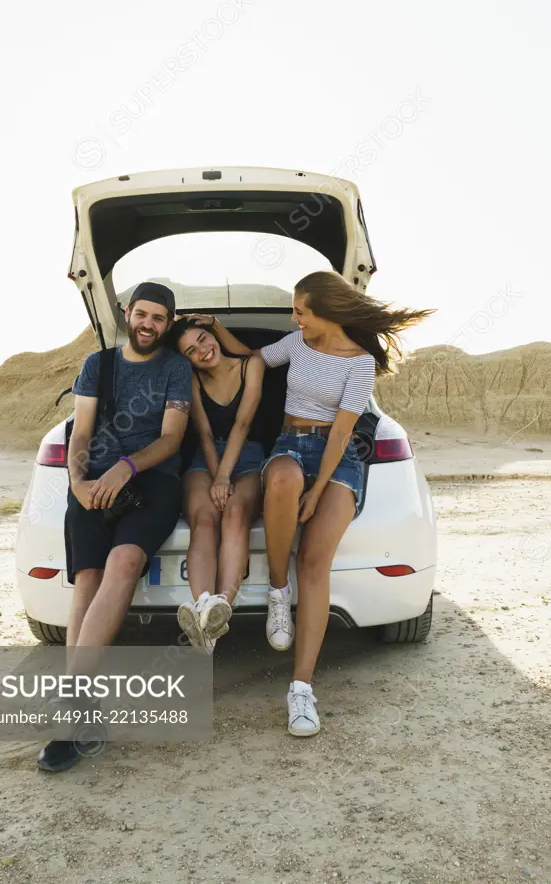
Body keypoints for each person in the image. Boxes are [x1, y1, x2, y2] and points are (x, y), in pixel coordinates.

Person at [183, 270, 432, 737]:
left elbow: (342, 432)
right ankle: (278, 592)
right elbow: (248, 358)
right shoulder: (296, 344)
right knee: (280, 482)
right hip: (290, 444)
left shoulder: (359, 364)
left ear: (327, 314)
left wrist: (318, 492)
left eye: (301, 310)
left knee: (316, 562)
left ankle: (301, 689)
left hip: (338, 457)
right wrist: (215, 328)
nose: (294, 317)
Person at [37, 281, 192, 773]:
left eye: (159, 318)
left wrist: (127, 465)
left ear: (168, 324)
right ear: (127, 313)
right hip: (92, 482)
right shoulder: (96, 365)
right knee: (88, 577)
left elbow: (171, 439)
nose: (148, 324)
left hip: (153, 481)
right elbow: (79, 432)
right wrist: (79, 480)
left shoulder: (175, 368)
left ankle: (72, 708)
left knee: (123, 561)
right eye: (141, 314)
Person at [166, 317, 265, 653]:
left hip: (250, 457)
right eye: (191, 351)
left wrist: (224, 477)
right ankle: (204, 606)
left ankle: (220, 610)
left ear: (215, 334)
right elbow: (205, 432)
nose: (203, 351)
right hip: (203, 460)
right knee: (205, 519)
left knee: (235, 513)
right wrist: (215, 475)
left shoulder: (251, 365)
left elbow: (243, 422)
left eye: (204, 339)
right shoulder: (192, 379)